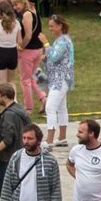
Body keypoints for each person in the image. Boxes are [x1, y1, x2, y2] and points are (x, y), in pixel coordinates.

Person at [41, 15, 74, 147]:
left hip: (60, 79)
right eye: (49, 26)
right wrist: (45, 59)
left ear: (60, 26)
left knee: (50, 108)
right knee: (61, 108)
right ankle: (62, 138)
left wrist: (46, 43)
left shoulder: (63, 42)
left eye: (52, 26)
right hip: (61, 78)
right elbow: (53, 60)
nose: (50, 29)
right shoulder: (61, 40)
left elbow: (54, 58)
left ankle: (49, 140)